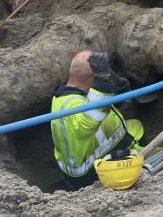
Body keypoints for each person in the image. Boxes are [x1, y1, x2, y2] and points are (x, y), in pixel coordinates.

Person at [51, 51, 143, 190]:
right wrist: (102, 81)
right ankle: (140, 157)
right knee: (160, 154)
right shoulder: (69, 106)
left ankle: (136, 146)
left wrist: (115, 94)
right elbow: (90, 119)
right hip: (92, 169)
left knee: (135, 126)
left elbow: (98, 106)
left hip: (95, 148)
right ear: (93, 79)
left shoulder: (72, 90)